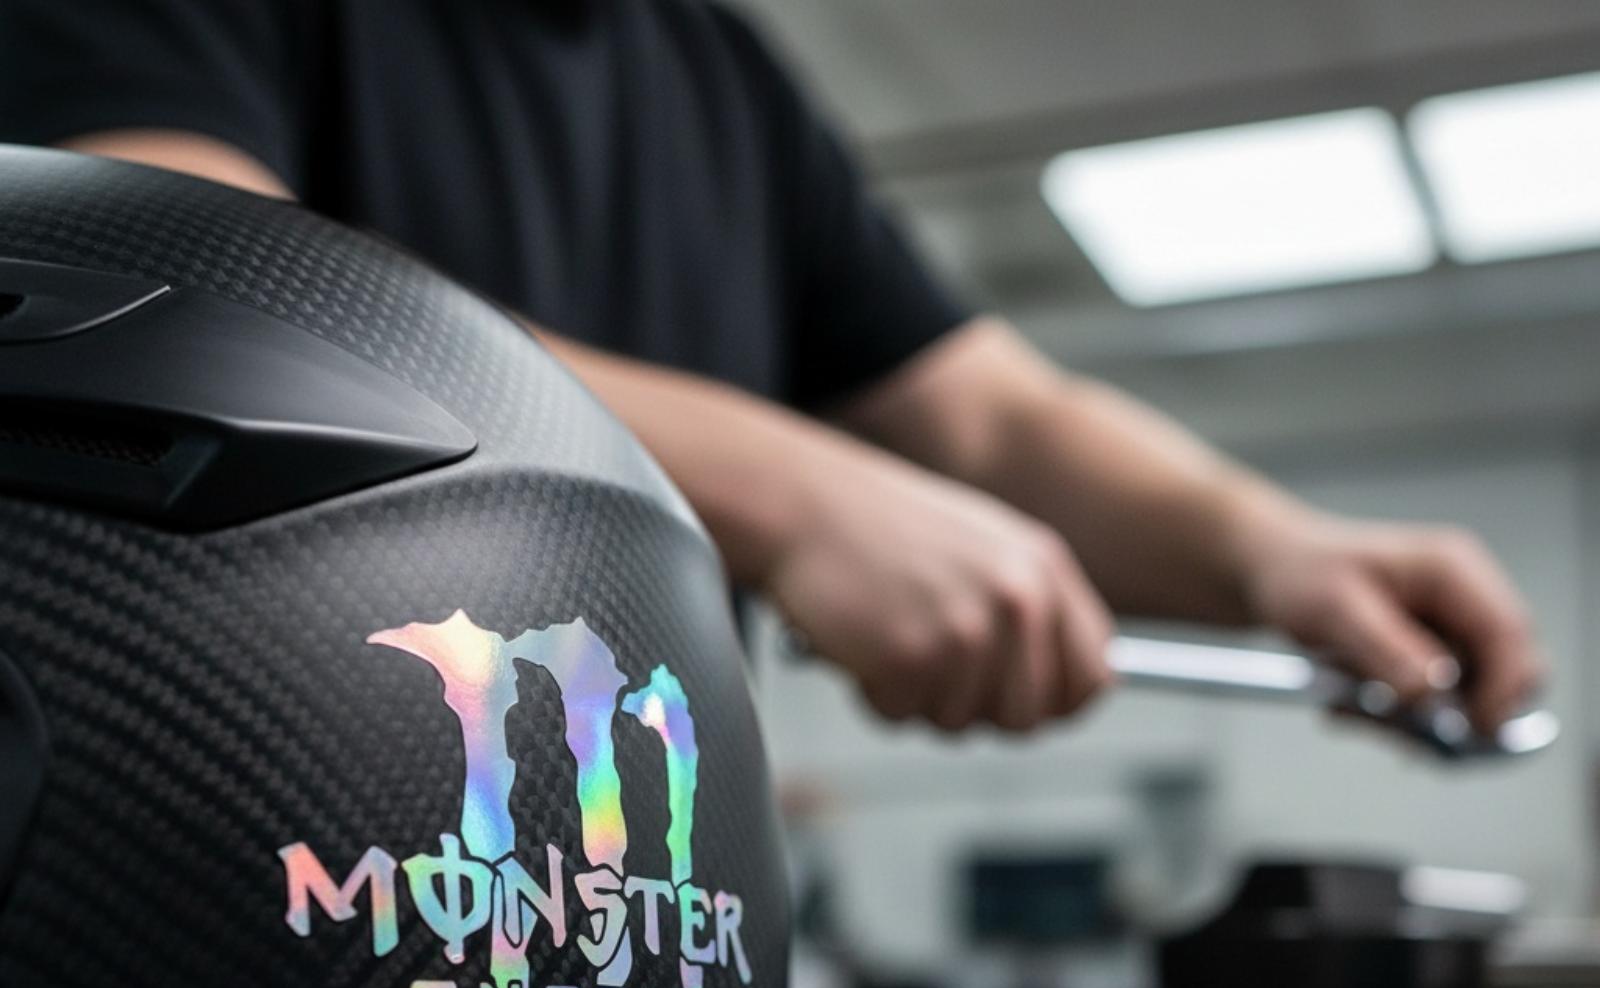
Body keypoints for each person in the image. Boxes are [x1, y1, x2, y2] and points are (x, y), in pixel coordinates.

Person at [0, 0, 1542, 734]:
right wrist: (801, 495)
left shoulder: (716, 67)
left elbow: (988, 414)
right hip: (243, 854)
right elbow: (192, 267)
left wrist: (1279, 549)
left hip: (630, 896)